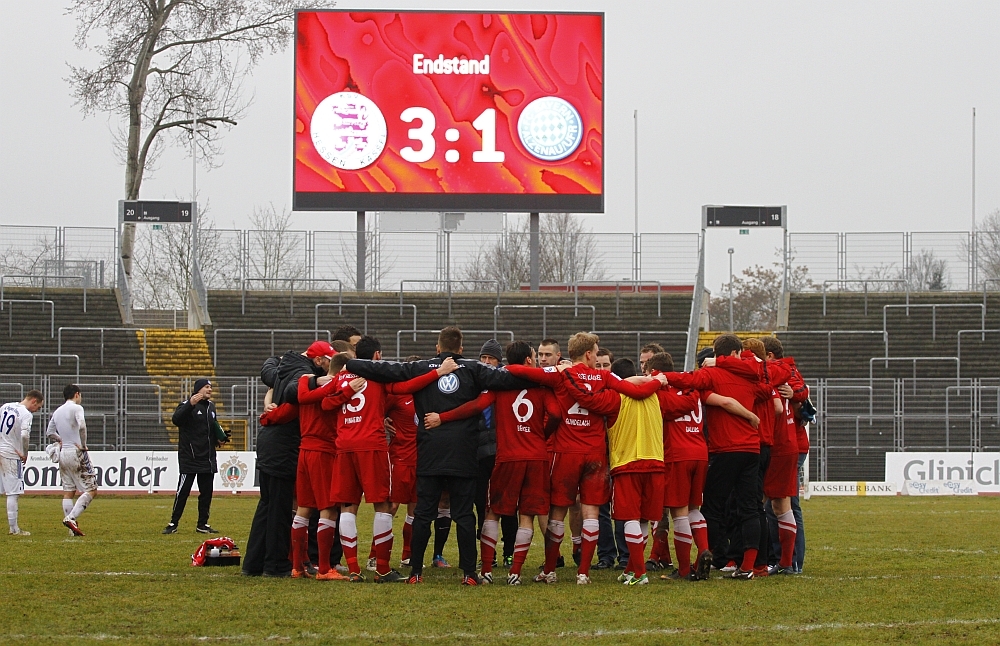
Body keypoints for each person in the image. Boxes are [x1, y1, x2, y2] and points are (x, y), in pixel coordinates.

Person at [345, 326, 534, 586]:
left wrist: (352, 364)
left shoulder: (422, 367)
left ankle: (416, 573)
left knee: (424, 513)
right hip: (463, 453)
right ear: (461, 349)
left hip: (429, 452)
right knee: (465, 515)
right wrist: (548, 372)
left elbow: (386, 369)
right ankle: (469, 574)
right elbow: (509, 377)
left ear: (437, 347)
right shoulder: (473, 368)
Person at [503, 332, 664, 584]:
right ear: (589, 354)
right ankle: (583, 573)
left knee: (557, 513)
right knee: (591, 512)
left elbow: (524, 372)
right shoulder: (604, 376)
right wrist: (658, 382)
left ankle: (550, 570)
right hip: (595, 454)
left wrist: (502, 369)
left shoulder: (560, 373)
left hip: (565, 451)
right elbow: (630, 389)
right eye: (596, 351)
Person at [425, 340, 562, 585]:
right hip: (537, 456)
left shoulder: (498, 385)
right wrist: (542, 435)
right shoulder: (542, 384)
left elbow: (476, 406)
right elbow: (555, 414)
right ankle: (515, 574)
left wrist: (442, 417)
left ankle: (487, 571)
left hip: (508, 456)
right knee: (527, 516)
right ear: (529, 360)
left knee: (492, 512)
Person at [332, 335, 460, 583]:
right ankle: (381, 569)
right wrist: (438, 372)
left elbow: (325, 403)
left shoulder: (340, 378)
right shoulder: (378, 377)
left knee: (348, 507)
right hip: (372, 446)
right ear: (377, 356)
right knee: (383, 506)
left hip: (344, 446)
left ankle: (354, 570)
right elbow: (405, 387)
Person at [644, 352, 758, 580]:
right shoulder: (691, 388)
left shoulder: (662, 390)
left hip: (678, 453)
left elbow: (669, 408)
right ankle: (704, 550)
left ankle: (685, 569)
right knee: (695, 508)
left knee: (679, 513)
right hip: (700, 451)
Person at [244, 340, 333, 578]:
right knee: (280, 509)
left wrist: (268, 405)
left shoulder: (284, 367)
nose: (328, 367)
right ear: (318, 360)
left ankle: (253, 564)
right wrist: (314, 382)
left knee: (268, 505)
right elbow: (296, 391)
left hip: (271, 444)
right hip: (282, 446)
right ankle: (275, 565)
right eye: (327, 361)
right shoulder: (303, 372)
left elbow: (268, 370)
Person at [472, 339, 517, 567]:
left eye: (491, 358)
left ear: (500, 362)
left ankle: (509, 552)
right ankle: (488, 555)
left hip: (503, 451)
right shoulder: (474, 381)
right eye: (484, 358)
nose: (487, 362)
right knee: (481, 504)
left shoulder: (505, 381)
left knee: (508, 504)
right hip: (480, 453)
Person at [163, 379, 227, 535]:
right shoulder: (186, 404)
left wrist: (218, 438)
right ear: (198, 389)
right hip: (190, 457)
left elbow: (211, 426)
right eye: (206, 387)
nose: (210, 389)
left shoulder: (211, 407)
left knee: (206, 493)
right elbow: (176, 420)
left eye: (211, 387)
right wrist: (189, 404)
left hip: (207, 457)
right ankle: (173, 523)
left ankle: (202, 524)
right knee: (183, 492)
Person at [47, 384, 97, 537]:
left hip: (63, 453)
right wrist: (83, 445)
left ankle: (71, 529)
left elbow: (49, 432)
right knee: (92, 489)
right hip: (76, 452)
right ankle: (71, 518)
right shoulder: (77, 408)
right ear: (77, 394)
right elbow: (81, 425)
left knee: (68, 491)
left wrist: (60, 439)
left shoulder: (57, 411)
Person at [0, 390, 43, 535]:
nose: (37, 410)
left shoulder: (5, 406)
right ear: (34, 401)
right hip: (11, 454)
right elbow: (25, 435)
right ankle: (14, 529)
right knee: (13, 493)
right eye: (38, 407)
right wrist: (25, 453)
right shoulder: (26, 414)